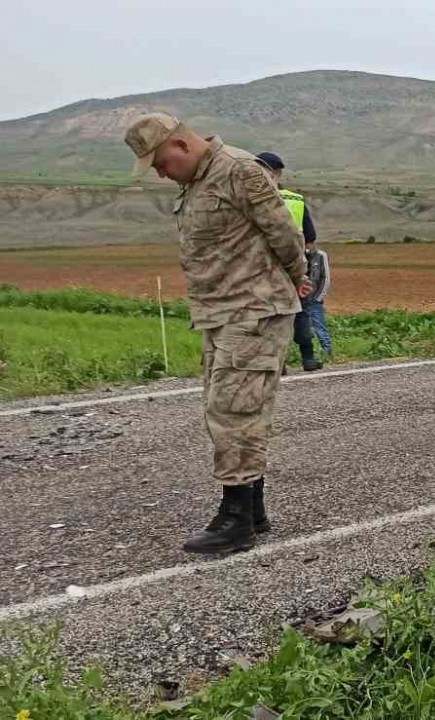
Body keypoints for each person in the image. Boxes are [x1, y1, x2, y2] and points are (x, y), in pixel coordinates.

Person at [124, 113, 310, 554]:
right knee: (230, 409)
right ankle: (253, 508)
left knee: (233, 411)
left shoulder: (240, 171)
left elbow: (287, 238)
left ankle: (236, 520)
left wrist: (287, 283)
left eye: (160, 162)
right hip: (221, 313)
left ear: (182, 145)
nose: (159, 172)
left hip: (254, 309)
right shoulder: (198, 182)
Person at [255, 152, 323, 371]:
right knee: (300, 310)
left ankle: (278, 362)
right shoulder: (296, 200)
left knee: (269, 314)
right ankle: (308, 358)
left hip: (262, 266)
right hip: (295, 264)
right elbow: (310, 239)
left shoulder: (252, 197)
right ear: (278, 172)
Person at [303, 237, 332, 356]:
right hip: (301, 300)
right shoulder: (298, 256)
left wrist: (318, 297)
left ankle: (327, 353)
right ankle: (308, 355)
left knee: (320, 328)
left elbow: (325, 278)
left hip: (314, 300)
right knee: (303, 330)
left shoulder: (321, 256)